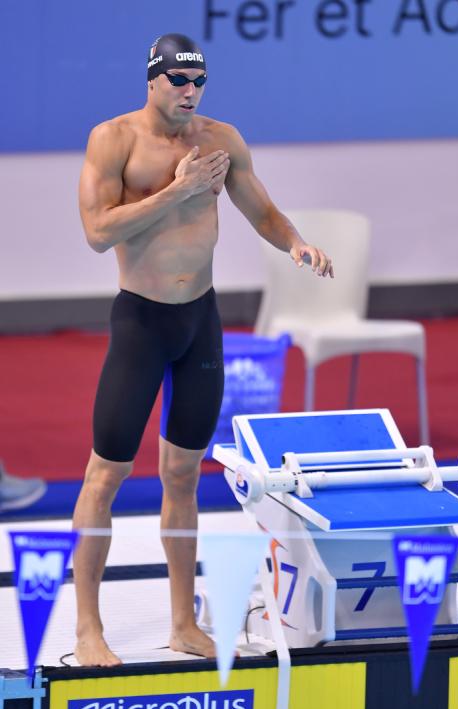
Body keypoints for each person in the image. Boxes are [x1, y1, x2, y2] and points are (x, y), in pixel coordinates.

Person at [73, 33, 333, 667]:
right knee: (105, 475)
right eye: (180, 81)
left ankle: (184, 622)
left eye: (200, 82)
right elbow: (96, 232)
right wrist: (177, 191)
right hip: (141, 324)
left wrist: (296, 243)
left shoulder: (221, 139)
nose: (191, 93)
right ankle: (87, 628)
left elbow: (262, 210)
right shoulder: (114, 140)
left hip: (201, 324)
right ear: (153, 80)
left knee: (183, 474)